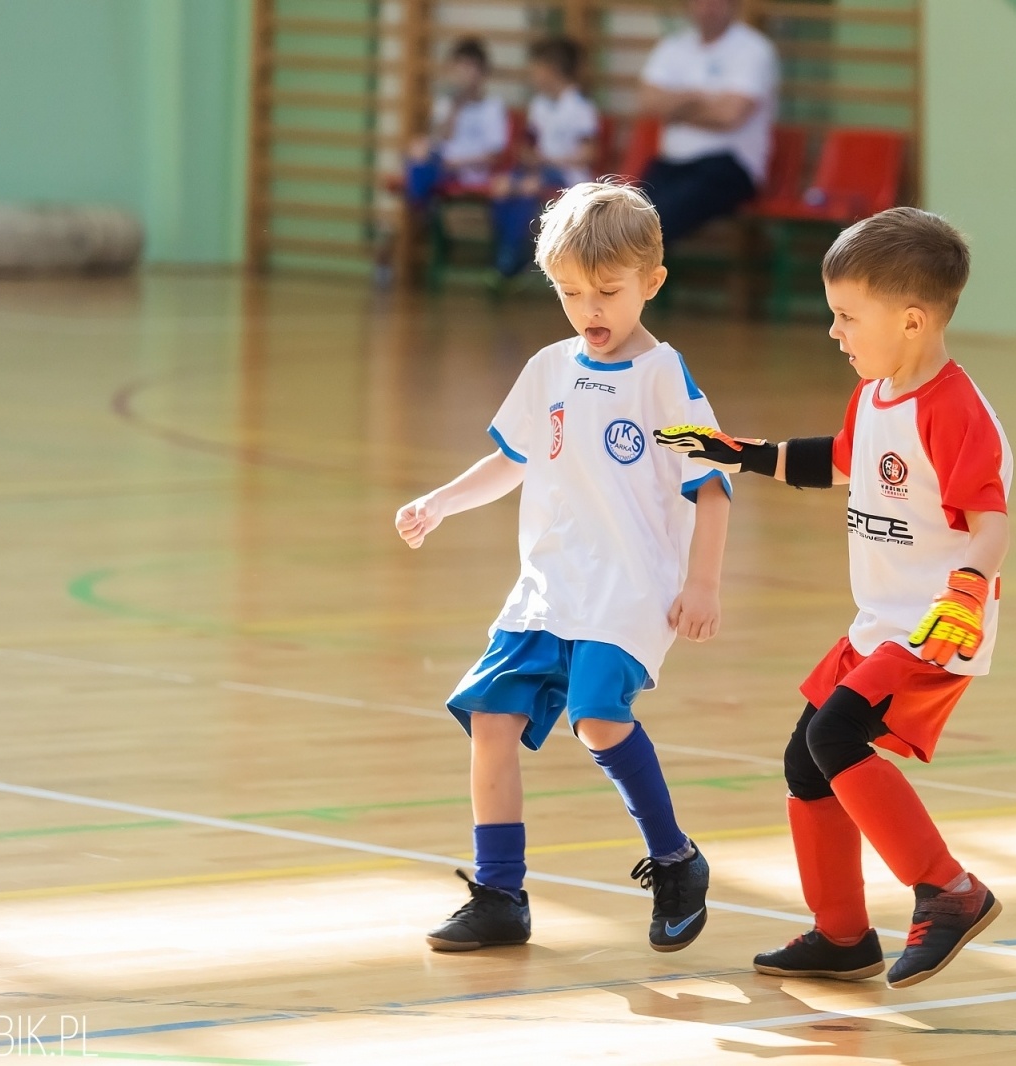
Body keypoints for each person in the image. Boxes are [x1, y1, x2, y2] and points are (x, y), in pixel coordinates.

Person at [654, 208, 1011, 987]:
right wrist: (734, 452)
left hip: (933, 627)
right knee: (806, 762)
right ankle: (843, 935)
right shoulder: (876, 395)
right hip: (879, 623)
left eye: (847, 316)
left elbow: (990, 525)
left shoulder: (954, 411)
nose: (833, 330)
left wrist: (965, 596)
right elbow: (836, 465)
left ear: (912, 321)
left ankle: (949, 889)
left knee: (836, 737)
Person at [394, 180, 732, 954]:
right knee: (489, 720)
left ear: (652, 282)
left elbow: (711, 491)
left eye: (608, 292)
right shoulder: (549, 368)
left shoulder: (663, 378)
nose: (591, 310)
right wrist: (441, 502)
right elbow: (510, 460)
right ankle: (500, 894)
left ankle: (677, 861)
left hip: (630, 589)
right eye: (571, 292)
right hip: (548, 586)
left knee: (599, 721)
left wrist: (703, 584)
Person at [637, 0, 779, 245]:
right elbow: (649, 102)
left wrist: (676, 108)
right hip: (671, 163)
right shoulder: (673, 47)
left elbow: (729, 116)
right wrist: (701, 98)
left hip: (728, 166)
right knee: (626, 219)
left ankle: (640, 281)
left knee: (655, 224)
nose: (707, 8)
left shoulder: (753, 50)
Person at [490, 37, 600, 277]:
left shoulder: (580, 108)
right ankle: (507, 254)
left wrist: (547, 162)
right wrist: (528, 156)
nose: (533, 75)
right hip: (539, 170)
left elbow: (587, 154)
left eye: (537, 69)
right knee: (502, 187)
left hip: (567, 176)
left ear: (553, 70)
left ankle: (513, 259)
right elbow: (529, 143)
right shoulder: (539, 106)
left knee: (528, 189)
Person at [405, 38, 510, 204]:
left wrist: (457, 163)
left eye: (469, 67)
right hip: (443, 167)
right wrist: (455, 109)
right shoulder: (446, 103)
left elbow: (493, 156)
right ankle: (420, 202)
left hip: (469, 171)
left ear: (482, 73)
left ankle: (419, 203)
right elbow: (437, 140)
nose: (463, 74)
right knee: (418, 149)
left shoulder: (492, 107)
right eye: (458, 68)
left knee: (423, 170)